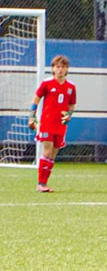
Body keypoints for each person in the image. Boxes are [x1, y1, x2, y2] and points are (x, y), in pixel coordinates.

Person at [28, 54, 76, 193]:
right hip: (47, 123)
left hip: (60, 126)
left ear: (67, 69)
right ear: (53, 69)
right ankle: (40, 184)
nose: (60, 70)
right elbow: (36, 99)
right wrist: (32, 117)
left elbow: (71, 105)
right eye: (57, 67)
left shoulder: (71, 87)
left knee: (53, 155)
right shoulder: (47, 83)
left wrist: (68, 115)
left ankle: (44, 183)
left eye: (63, 67)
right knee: (47, 152)